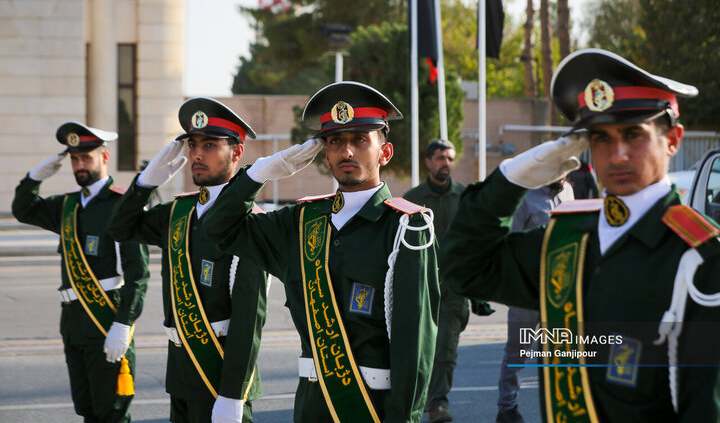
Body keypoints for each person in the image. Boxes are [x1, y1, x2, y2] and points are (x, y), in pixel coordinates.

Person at [441, 48, 720, 422]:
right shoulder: (567, 244)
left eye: (633, 134)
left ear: (673, 140)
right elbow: (464, 267)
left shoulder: (701, 259)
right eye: (601, 138)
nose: (617, 154)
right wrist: (510, 180)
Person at [202, 81, 440, 423]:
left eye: (360, 140)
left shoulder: (405, 227)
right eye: (335, 142)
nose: (346, 152)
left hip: (371, 407)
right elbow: (218, 229)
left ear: (384, 152)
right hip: (311, 404)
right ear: (324, 153)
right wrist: (259, 173)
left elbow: (414, 346)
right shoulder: (299, 221)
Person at [107, 98, 267, 423]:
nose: (196, 154)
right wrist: (144, 183)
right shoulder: (178, 213)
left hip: (219, 375)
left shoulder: (250, 222)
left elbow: (249, 322)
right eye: (192, 145)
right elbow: (120, 227)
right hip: (180, 372)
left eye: (209, 145)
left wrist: (233, 395)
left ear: (236, 152)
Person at [12, 122, 150, 423]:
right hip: (73, 323)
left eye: (86, 157)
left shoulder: (121, 204)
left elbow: (137, 274)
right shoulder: (68, 205)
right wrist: (34, 177)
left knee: (110, 412)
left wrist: (123, 325)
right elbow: (24, 210)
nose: (80, 165)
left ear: (104, 158)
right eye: (75, 159)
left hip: (105, 320)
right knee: (86, 410)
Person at [403, 138, 478, 423]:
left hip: (454, 289)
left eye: (449, 158)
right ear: (428, 161)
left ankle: (437, 406)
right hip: (421, 287)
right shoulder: (412, 199)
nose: (445, 163)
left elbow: (474, 242)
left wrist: (478, 288)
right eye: (439, 158)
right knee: (419, 351)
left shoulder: (464, 197)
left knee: (445, 352)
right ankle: (414, 400)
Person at [496, 179, 574, 423]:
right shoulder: (525, 197)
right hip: (528, 290)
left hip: (561, 292)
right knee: (518, 351)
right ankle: (507, 408)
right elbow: (512, 244)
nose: (561, 174)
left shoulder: (570, 192)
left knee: (559, 353)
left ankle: (561, 406)